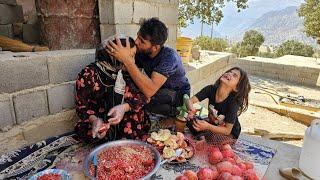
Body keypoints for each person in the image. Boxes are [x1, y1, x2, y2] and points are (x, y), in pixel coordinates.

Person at [106, 18, 190, 117]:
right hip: (158, 90)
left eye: (142, 41)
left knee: (144, 98)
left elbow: (149, 91)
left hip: (177, 96)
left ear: (155, 47)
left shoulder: (170, 58)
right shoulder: (143, 51)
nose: (136, 42)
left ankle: (170, 117)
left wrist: (127, 60)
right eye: (138, 36)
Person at [74, 36, 150, 143]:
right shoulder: (88, 74)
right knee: (87, 130)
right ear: (114, 54)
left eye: (134, 56)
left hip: (124, 119)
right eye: (130, 56)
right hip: (101, 119)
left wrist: (124, 108)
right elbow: (81, 106)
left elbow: (145, 96)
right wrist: (95, 120)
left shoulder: (130, 71)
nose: (132, 61)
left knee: (136, 117)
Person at [186, 67, 251, 144]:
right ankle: (202, 137)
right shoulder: (210, 89)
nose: (229, 74)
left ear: (236, 88)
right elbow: (190, 100)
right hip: (213, 124)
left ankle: (203, 137)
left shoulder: (233, 102)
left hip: (229, 133)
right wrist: (191, 109)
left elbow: (227, 130)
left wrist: (208, 126)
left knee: (213, 139)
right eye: (229, 71)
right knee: (190, 120)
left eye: (234, 75)